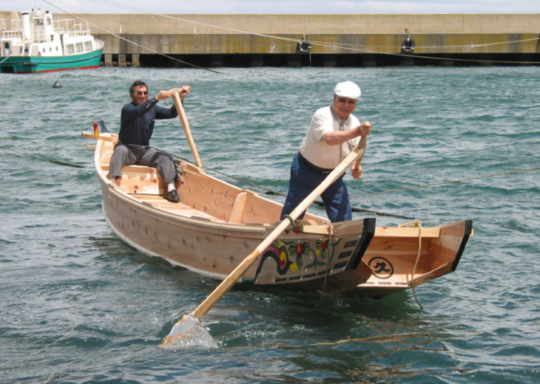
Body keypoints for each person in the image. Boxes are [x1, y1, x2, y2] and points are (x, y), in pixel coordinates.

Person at [280, 81, 371, 223]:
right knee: (294, 213)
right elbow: (329, 138)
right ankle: (282, 241)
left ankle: (343, 241)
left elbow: (356, 150)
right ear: (334, 98)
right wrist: (356, 131)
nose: (346, 105)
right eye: (342, 100)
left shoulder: (354, 122)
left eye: (351, 102)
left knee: (343, 218)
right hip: (306, 171)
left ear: (356, 103)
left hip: (334, 176)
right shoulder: (322, 114)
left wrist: (356, 166)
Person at [108, 80, 191, 203]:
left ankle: (170, 189)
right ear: (132, 95)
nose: (143, 96)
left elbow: (171, 113)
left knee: (165, 157)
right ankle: (112, 183)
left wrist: (180, 98)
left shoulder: (153, 108)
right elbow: (139, 111)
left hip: (144, 151)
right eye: (139, 93)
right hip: (127, 149)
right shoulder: (127, 109)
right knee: (119, 150)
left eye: (145, 93)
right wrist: (156, 98)